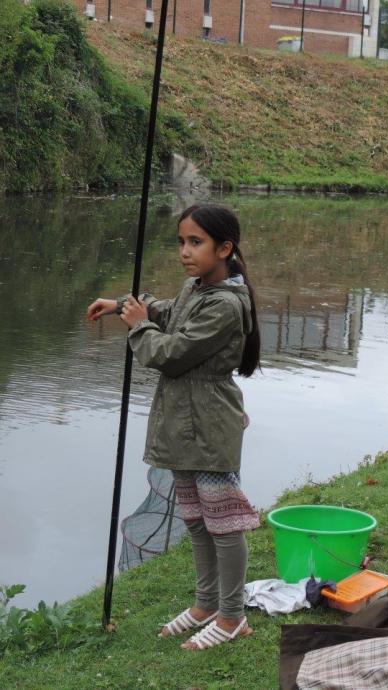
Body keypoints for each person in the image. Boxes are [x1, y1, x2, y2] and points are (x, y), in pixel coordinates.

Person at [86, 204, 262, 649]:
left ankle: (232, 616)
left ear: (225, 248)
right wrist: (124, 306)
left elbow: (169, 353)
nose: (185, 251)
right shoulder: (196, 288)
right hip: (180, 423)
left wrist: (138, 327)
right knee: (197, 519)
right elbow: (169, 313)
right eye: (182, 241)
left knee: (224, 522)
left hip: (209, 424)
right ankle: (205, 604)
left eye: (196, 242)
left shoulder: (225, 304)